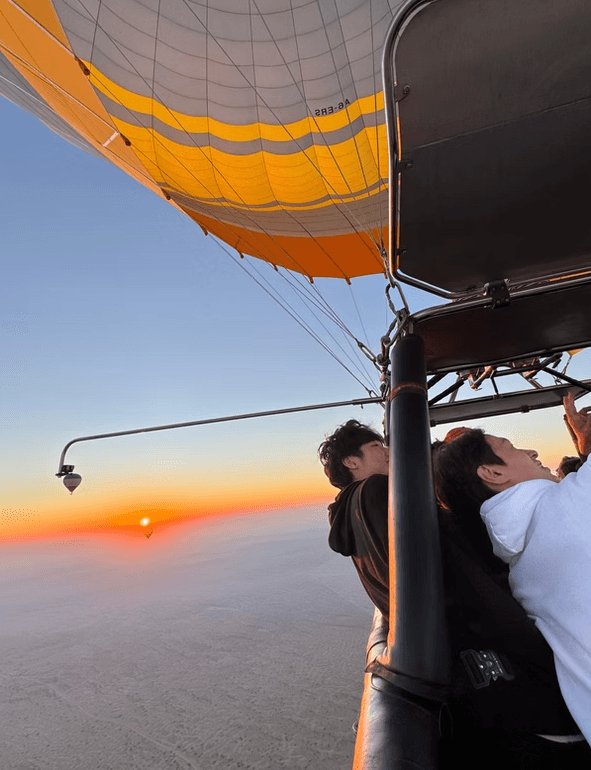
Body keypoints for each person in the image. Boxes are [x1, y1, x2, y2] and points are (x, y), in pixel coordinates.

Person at [320, 418, 590, 768]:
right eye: (376, 448)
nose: (388, 452)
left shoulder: (351, 517)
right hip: (494, 647)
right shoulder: (375, 492)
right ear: (351, 462)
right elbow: (449, 567)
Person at [434, 392, 591, 747]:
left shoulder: (521, 569)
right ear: (492, 472)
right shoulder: (572, 505)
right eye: (512, 447)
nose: (532, 453)